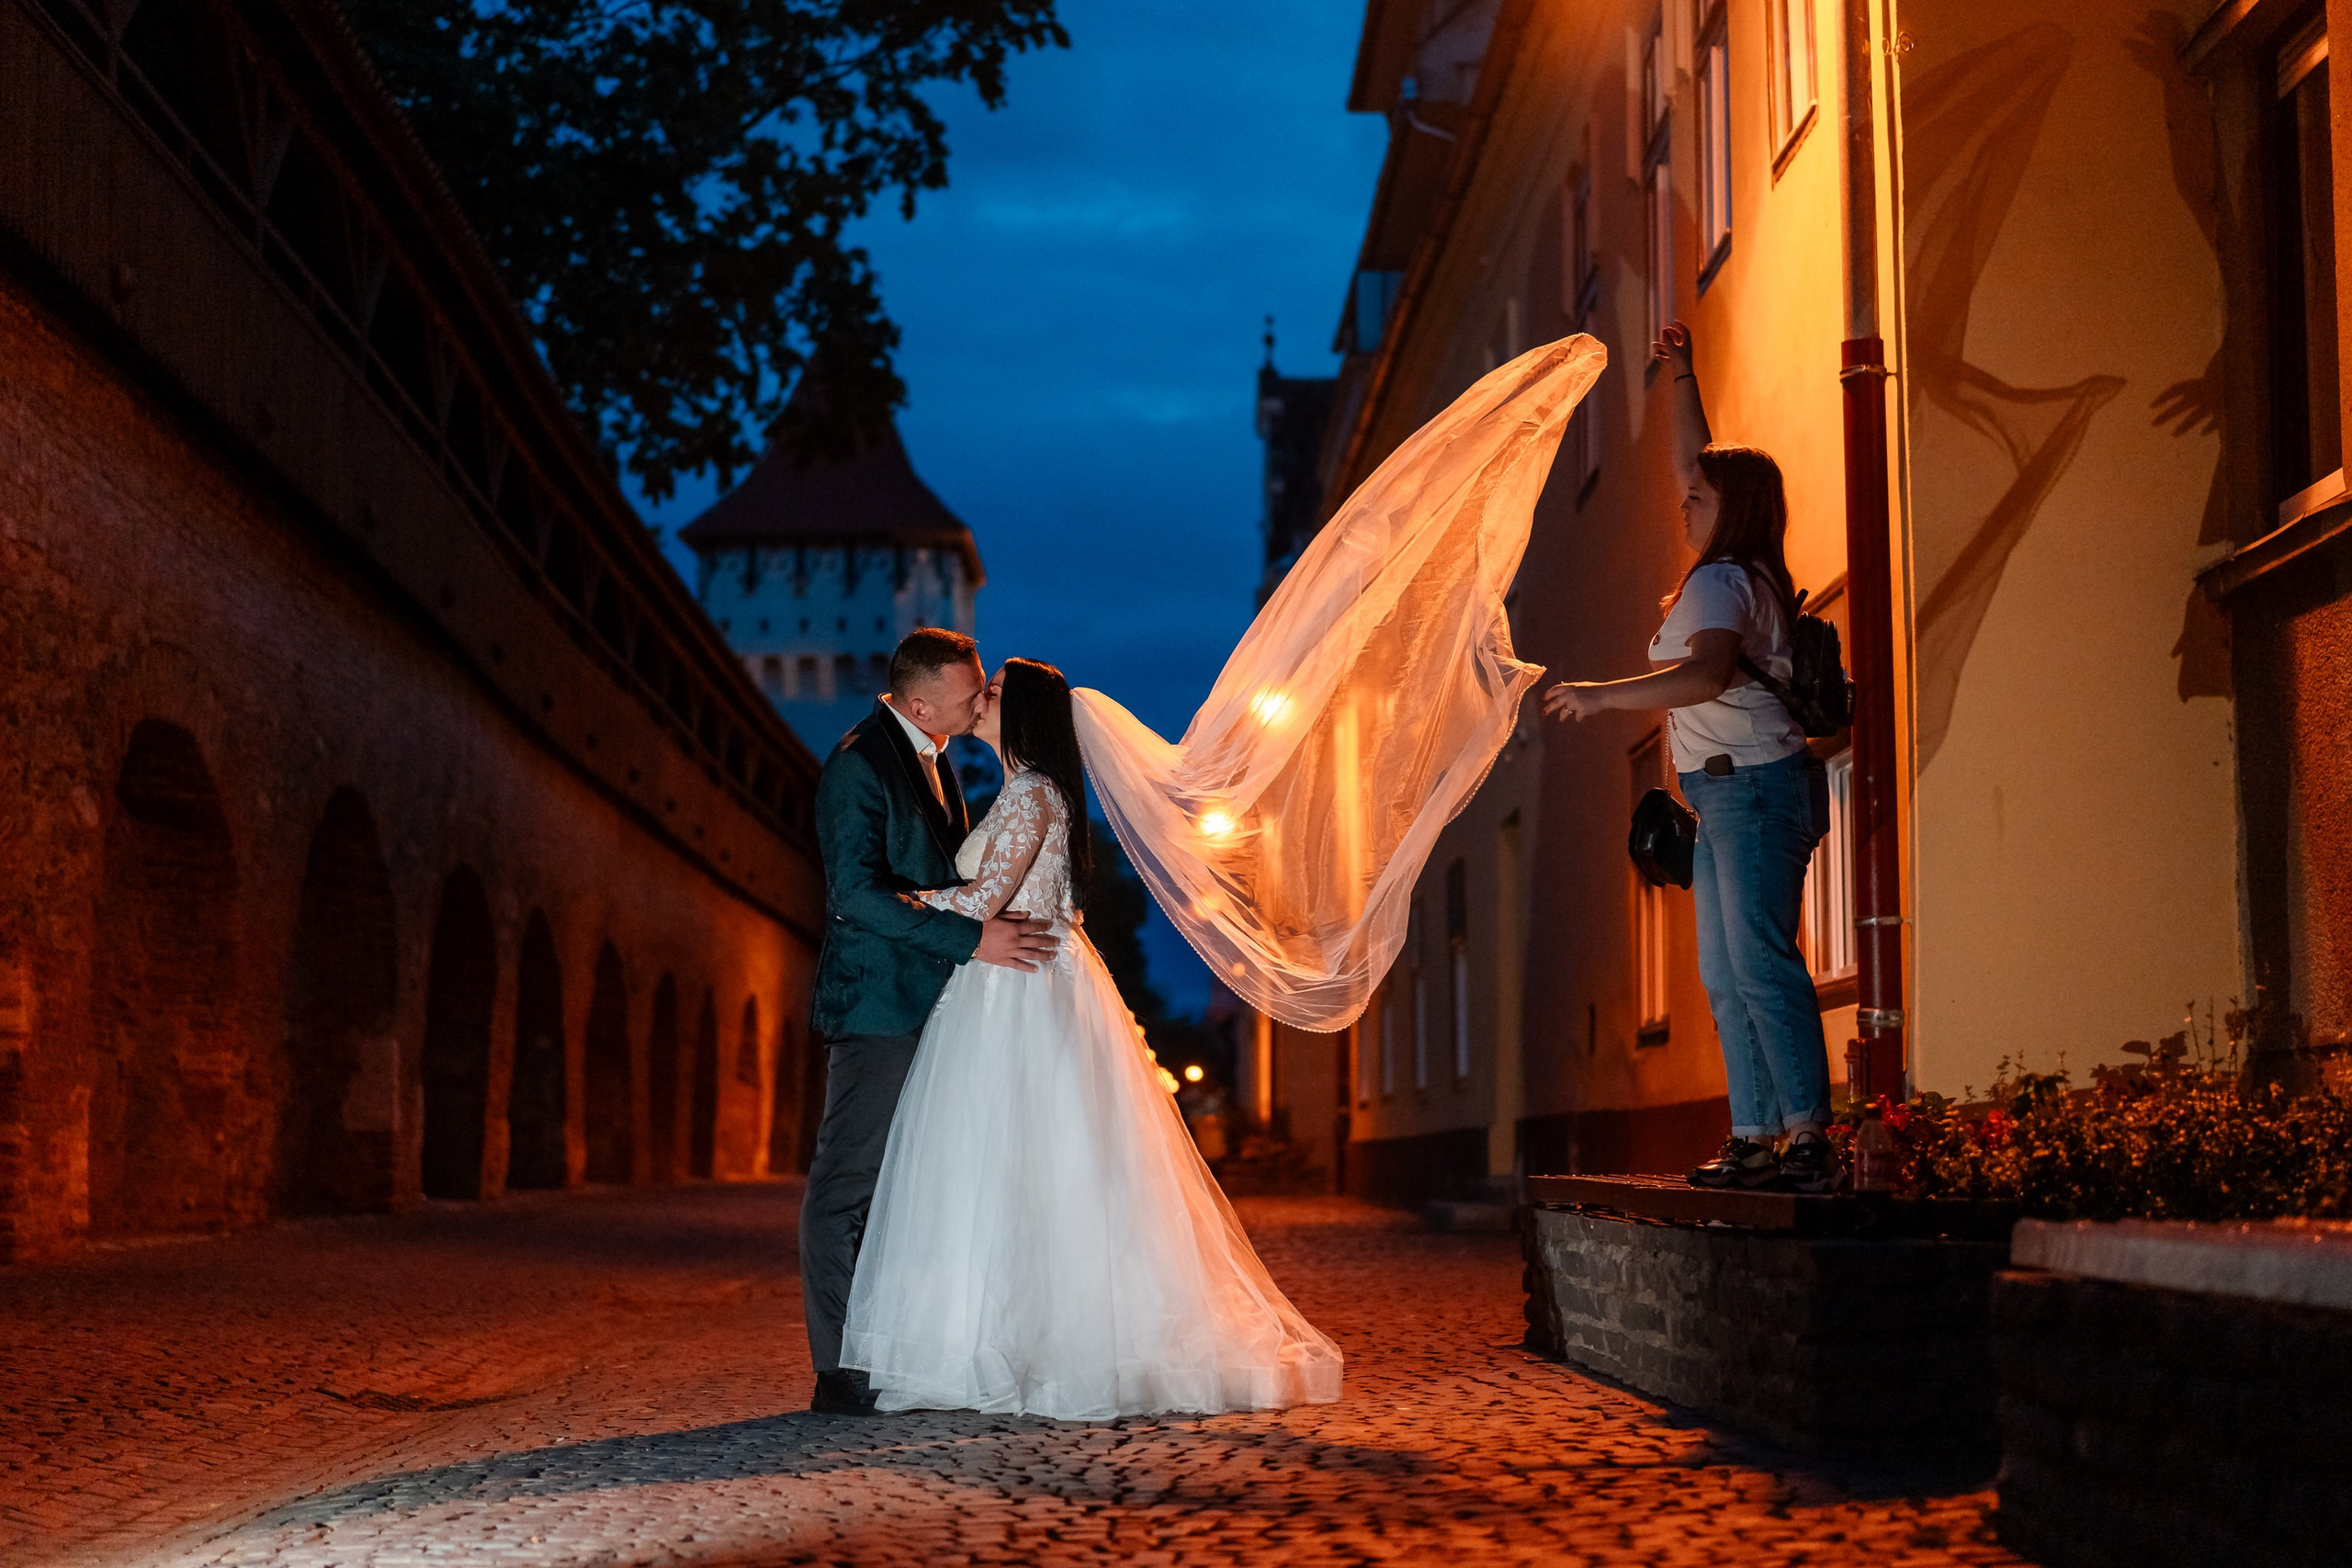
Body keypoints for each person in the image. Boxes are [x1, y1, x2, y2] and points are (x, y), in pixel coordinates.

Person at [838, 659, 1343, 1419]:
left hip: (1017, 993)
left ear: (1024, 715)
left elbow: (982, 899)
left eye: (994, 693)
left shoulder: (1030, 793)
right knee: (1025, 1165)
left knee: (1009, 1162)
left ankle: (1010, 1343)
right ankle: (1010, 1337)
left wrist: (895, 899)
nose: (981, 700)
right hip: (1021, 983)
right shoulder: (1032, 791)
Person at [1541, 321, 1838, 1194]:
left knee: (1759, 961)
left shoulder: (1723, 581)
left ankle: (1806, 1137)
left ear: (1730, 508)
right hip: (1728, 799)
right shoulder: (1742, 573)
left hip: (1753, 792)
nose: (1683, 502)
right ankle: (1753, 1136)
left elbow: (1706, 675)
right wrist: (1682, 375)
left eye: (1699, 498)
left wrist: (1602, 696)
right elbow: (1691, 461)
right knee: (1725, 973)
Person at [800, 627, 1061, 1417]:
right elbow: (856, 895)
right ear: (920, 704)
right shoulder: (859, 765)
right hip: (879, 1003)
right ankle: (840, 1369)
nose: (981, 701)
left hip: (938, 1004)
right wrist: (972, 939)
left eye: (985, 689)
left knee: (909, 1187)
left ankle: (896, 1349)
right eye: (970, 692)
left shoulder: (937, 757)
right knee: (849, 1183)